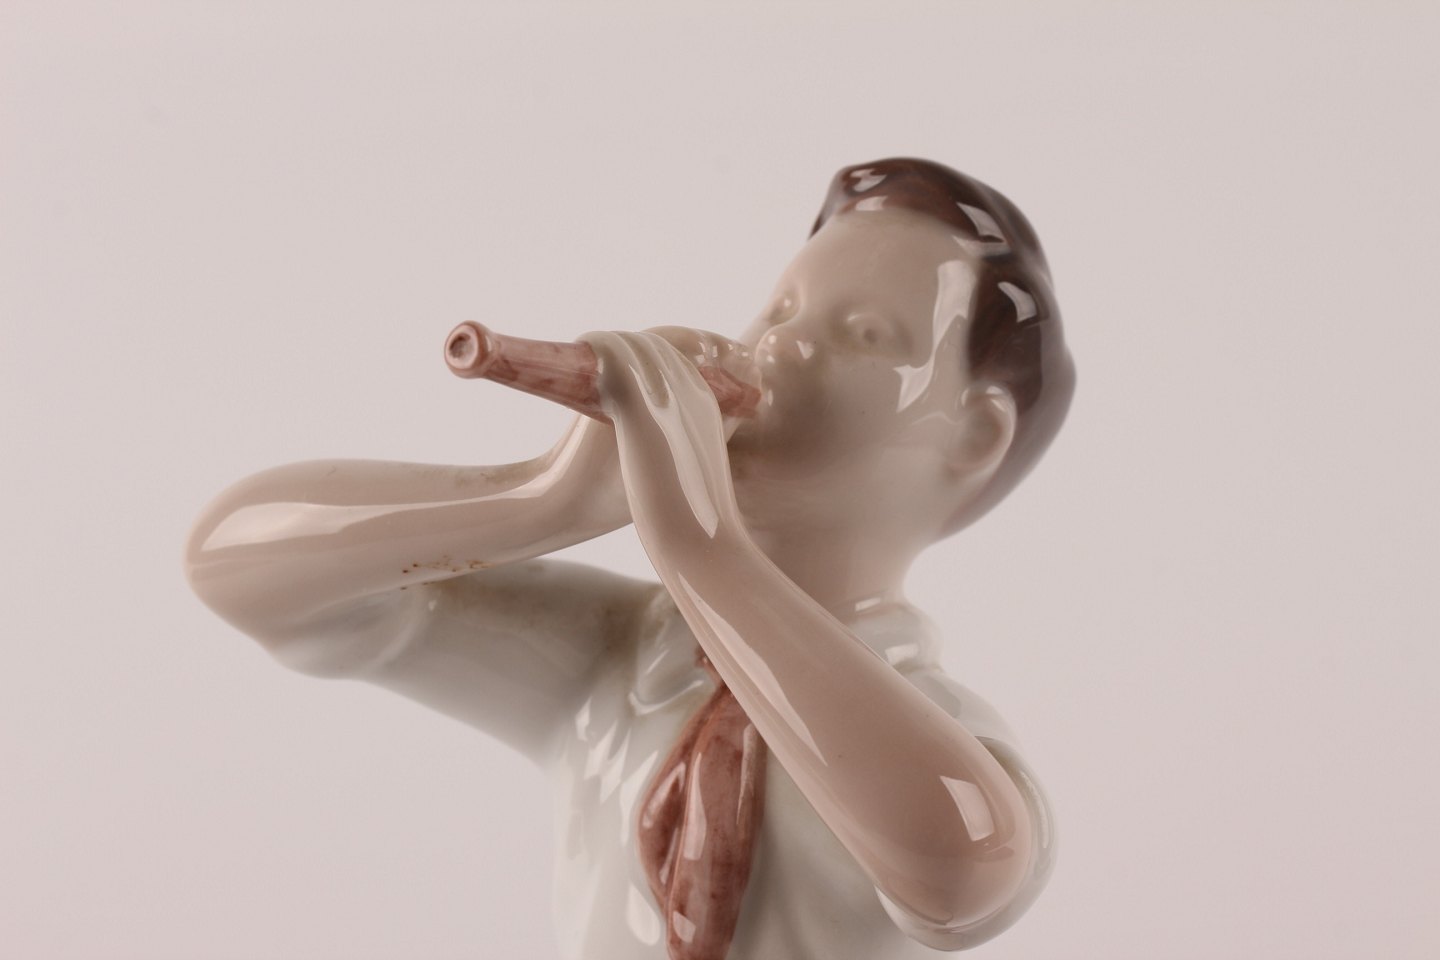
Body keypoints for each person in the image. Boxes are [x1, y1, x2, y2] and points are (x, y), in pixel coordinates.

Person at [185, 158, 1075, 960]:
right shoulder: (608, 665)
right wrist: (542, 501)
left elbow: (963, 873)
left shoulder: (933, 726)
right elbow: (235, 568)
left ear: (973, 436)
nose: (780, 345)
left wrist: (703, 550)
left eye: (865, 333)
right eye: (780, 309)